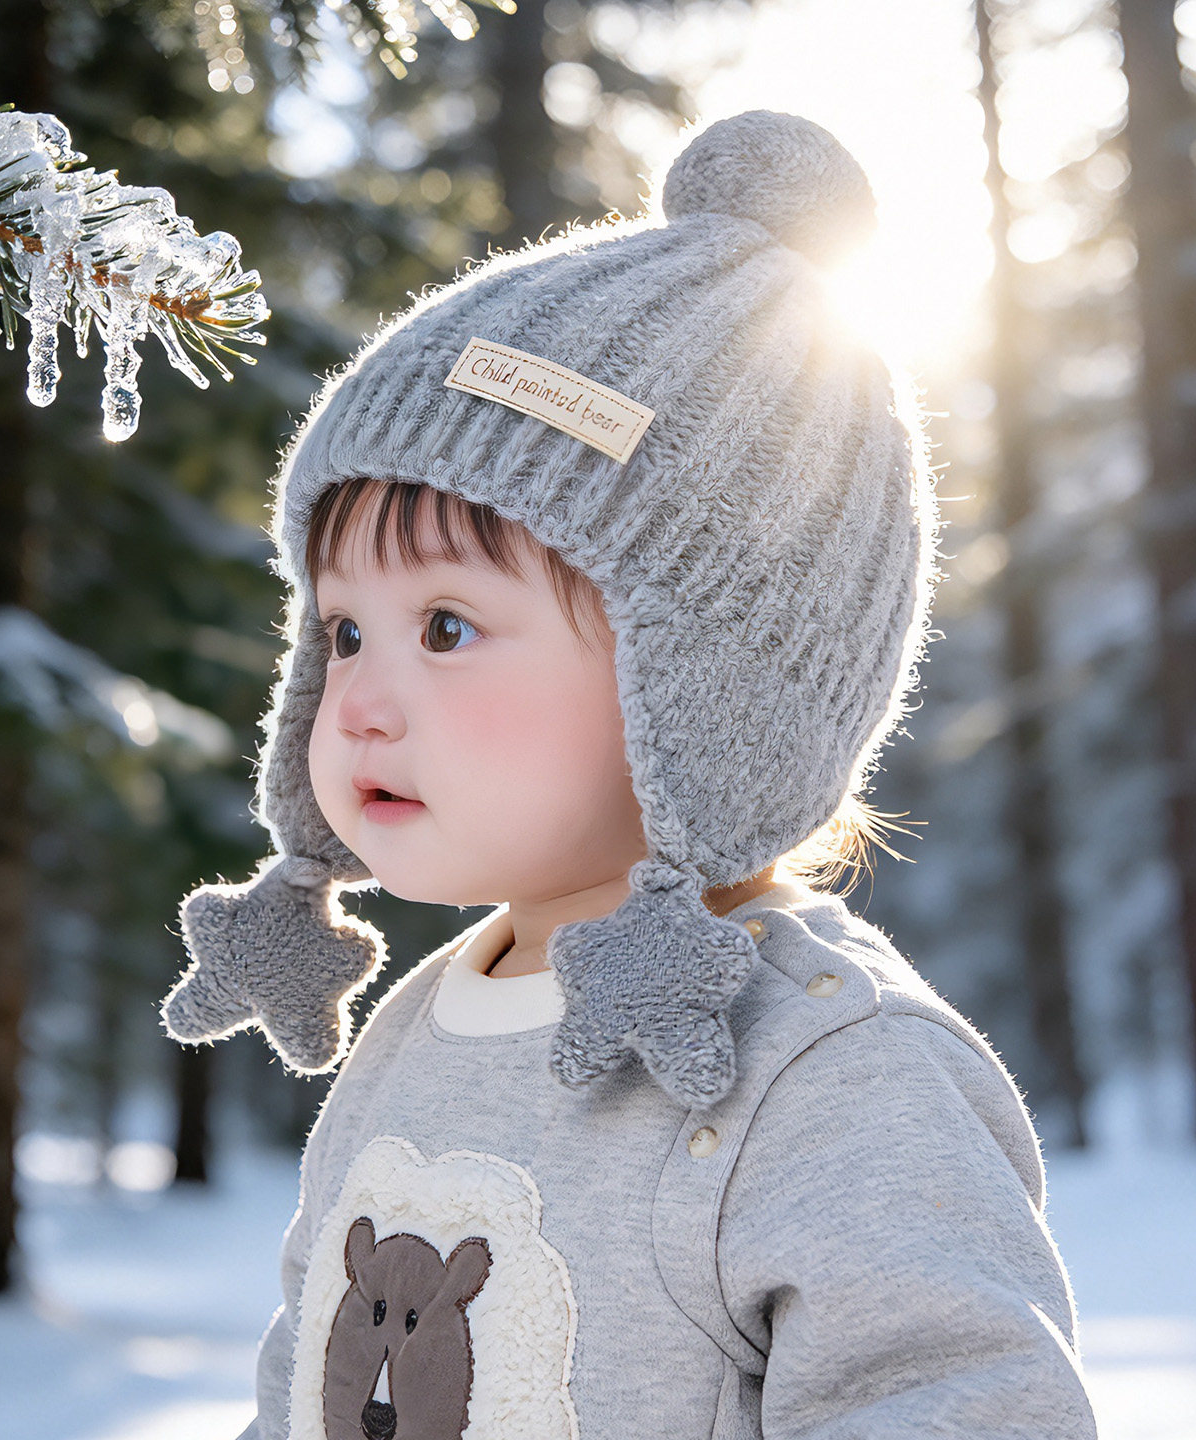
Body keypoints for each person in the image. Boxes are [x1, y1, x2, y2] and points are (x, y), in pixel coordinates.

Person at [161, 110, 1100, 1439]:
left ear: (705, 694)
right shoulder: (419, 1025)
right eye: (340, 629)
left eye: (447, 627)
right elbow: (301, 1384)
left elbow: (959, 1403)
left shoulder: (833, 1070)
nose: (359, 701)